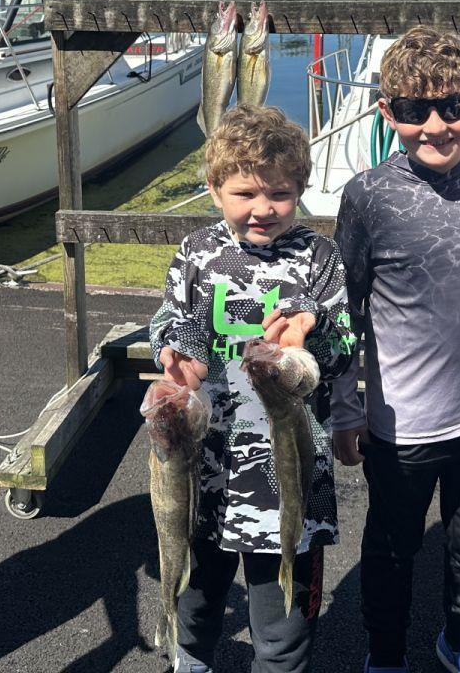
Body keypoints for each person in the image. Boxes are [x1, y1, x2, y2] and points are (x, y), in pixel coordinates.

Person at [331, 27, 460, 673]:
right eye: (414, 111)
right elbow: (343, 308)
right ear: (388, 114)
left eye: (453, 107)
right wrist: (345, 406)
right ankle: (384, 652)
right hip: (398, 423)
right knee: (390, 548)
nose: (435, 126)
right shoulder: (366, 196)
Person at [150, 103, 355, 673]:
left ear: (301, 188)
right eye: (245, 194)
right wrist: (175, 351)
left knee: (282, 623)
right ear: (214, 190)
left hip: (289, 473)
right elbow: (168, 320)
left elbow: (342, 350)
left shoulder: (319, 257)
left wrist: (312, 335)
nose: (263, 209)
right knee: (194, 603)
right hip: (204, 464)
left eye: (280, 194)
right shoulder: (196, 253)